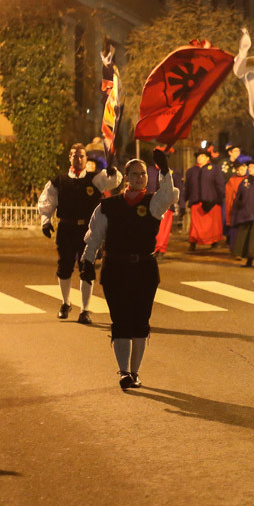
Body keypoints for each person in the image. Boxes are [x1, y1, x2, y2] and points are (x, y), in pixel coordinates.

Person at [81, 151, 179, 391]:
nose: (140, 178)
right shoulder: (108, 205)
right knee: (121, 321)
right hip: (116, 268)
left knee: (140, 322)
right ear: (126, 177)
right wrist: (87, 262)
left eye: (144, 174)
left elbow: (169, 194)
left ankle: (135, 372)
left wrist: (165, 171)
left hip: (145, 268)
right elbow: (95, 236)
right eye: (134, 174)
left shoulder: (154, 203)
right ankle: (124, 371)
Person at [37, 143, 122, 324]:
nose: (79, 159)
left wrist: (114, 171)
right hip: (66, 229)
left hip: (88, 230)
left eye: (82, 156)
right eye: (75, 156)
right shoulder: (59, 181)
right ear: (70, 158)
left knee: (87, 267)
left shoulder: (94, 179)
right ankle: (65, 303)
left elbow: (113, 181)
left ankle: (85, 310)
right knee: (64, 267)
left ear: (86, 158)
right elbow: (47, 200)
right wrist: (46, 221)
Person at [182, 150, 225, 251]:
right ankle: (193, 242)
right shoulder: (191, 171)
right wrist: (184, 201)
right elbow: (187, 187)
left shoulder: (215, 169)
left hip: (212, 201)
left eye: (202, 156)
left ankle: (214, 242)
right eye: (198, 156)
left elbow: (220, 185)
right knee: (195, 225)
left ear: (207, 158)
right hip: (196, 201)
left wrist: (220, 198)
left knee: (213, 225)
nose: (199, 158)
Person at [223, 157, 248, 254]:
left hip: (247, 209)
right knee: (235, 231)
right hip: (236, 209)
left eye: (242, 169)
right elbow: (229, 198)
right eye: (238, 169)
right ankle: (235, 249)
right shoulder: (231, 181)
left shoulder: (249, 179)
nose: (240, 171)